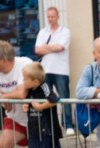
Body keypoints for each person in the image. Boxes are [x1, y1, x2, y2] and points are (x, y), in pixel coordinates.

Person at [20, 62, 63, 148]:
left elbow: (54, 99)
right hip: (33, 131)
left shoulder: (44, 87)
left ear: (35, 81)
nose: (23, 81)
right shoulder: (29, 90)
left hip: (47, 130)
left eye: (25, 79)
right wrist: (26, 105)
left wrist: (39, 106)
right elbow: (27, 102)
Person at [34, 7, 73, 136]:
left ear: (58, 16)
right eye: (48, 17)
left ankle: (68, 125)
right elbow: (37, 50)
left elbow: (61, 47)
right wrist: (52, 48)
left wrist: (46, 47)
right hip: (45, 70)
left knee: (64, 97)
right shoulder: (43, 32)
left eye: (52, 16)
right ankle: (50, 125)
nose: (50, 19)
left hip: (61, 70)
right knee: (48, 98)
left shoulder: (65, 31)